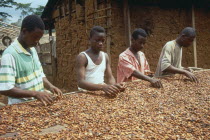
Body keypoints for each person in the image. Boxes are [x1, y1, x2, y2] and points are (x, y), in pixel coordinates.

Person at [0, 15, 63, 105]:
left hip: (38, 103)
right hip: (20, 107)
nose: (37, 41)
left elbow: (39, 74)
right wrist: (35, 94)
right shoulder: (10, 55)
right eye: (35, 37)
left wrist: (50, 86)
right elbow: (5, 88)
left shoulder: (32, 49)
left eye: (39, 38)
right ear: (24, 31)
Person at [76, 26, 124, 97]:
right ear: (89, 40)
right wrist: (102, 87)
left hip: (100, 92)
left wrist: (113, 86)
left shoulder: (105, 56)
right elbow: (81, 82)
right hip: (85, 93)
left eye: (102, 41)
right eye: (97, 40)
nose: (100, 43)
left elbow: (110, 77)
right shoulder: (83, 57)